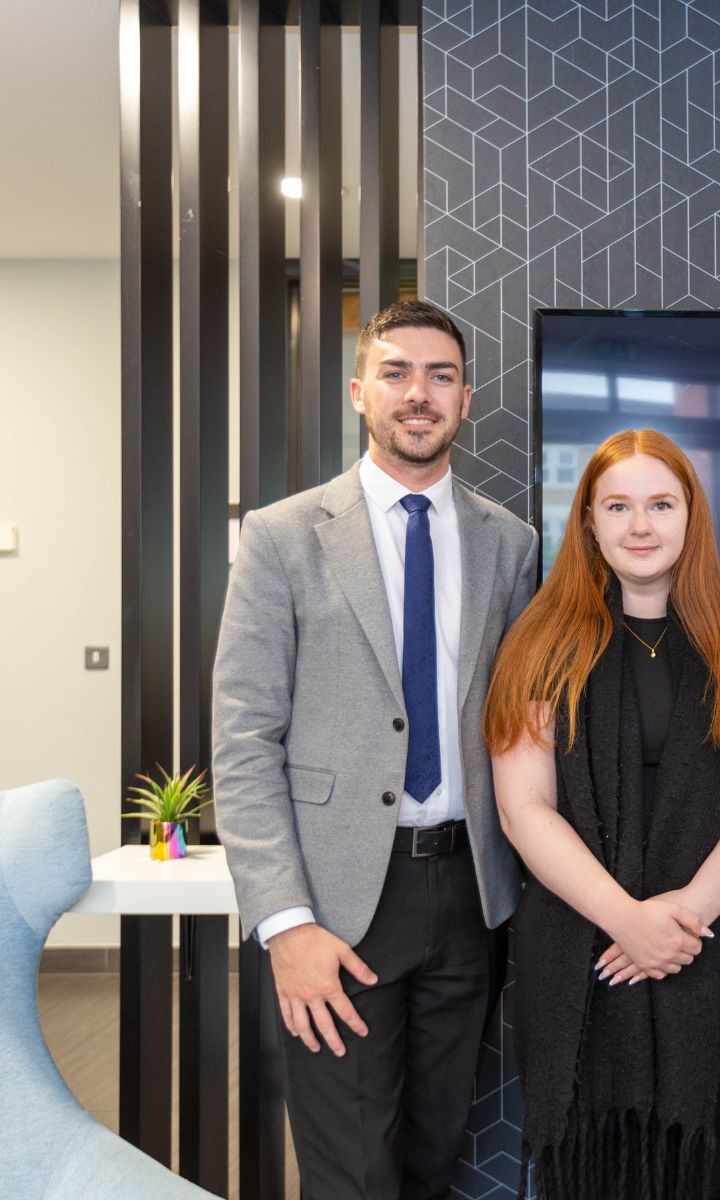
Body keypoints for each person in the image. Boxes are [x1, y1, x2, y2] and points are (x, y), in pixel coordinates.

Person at [212, 300, 538, 1197]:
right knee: (352, 1176)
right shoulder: (280, 538)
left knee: (435, 1160)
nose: (418, 394)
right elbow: (243, 743)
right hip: (338, 905)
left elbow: (519, 724)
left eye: (439, 376)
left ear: (466, 399)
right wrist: (285, 925)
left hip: (471, 898)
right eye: (396, 373)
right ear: (360, 392)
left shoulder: (512, 544)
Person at [485, 429, 720, 1200]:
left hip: (712, 948)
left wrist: (680, 918)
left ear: (693, 516)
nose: (641, 526)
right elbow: (525, 811)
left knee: (700, 1165)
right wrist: (626, 919)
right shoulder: (539, 644)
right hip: (579, 948)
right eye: (617, 506)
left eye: (661, 503)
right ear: (587, 520)